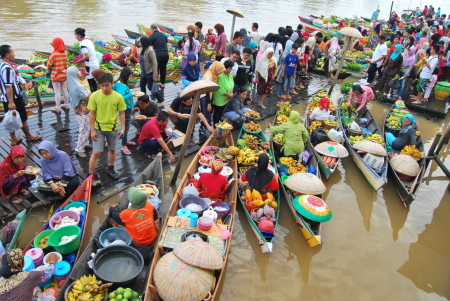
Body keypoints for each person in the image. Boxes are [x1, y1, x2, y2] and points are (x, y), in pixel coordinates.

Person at [87, 73, 126, 183]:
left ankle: (111, 167)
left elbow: (122, 113)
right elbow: (92, 114)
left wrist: (123, 128)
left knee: (112, 149)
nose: (104, 88)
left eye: (107, 85)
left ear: (112, 84)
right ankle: (90, 174)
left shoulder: (118, 97)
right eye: (102, 85)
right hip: (98, 128)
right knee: (96, 152)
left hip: (113, 128)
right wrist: (92, 130)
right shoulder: (95, 96)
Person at [0, 45, 41, 146]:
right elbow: (9, 87)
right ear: (7, 54)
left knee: (10, 118)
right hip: (13, 98)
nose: (14, 54)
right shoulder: (7, 69)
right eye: (12, 52)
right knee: (23, 117)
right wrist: (11, 102)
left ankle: (14, 139)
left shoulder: (2, 65)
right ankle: (28, 135)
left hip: (6, 98)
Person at [67, 65, 91, 158]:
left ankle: (85, 143)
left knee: (87, 127)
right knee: (84, 128)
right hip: (83, 110)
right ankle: (79, 148)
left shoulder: (72, 83)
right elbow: (87, 97)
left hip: (78, 108)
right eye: (77, 71)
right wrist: (91, 96)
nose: (79, 72)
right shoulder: (78, 86)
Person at [112, 67, 135, 155]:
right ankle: (123, 145)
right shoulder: (121, 86)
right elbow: (120, 98)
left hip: (127, 108)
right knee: (124, 128)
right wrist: (130, 94)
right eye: (129, 77)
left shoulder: (119, 84)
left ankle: (125, 141)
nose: (130, 78)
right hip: (125, 109)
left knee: (127, 127)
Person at [201, 61, 225, 134]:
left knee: (207, 113)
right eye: (220, 71)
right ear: (216, 69)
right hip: (205, 97)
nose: (220, 73)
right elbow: (207, 91)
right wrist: (209, 103)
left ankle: (203, 127)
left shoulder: (212, 73)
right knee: (206, 114)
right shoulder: (209, 77)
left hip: (208, 97)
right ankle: (205, 129)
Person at [47, 37, 69, 113]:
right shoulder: (65, 53)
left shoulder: (54, 54)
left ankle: (58, 107)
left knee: (57, 91)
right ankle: (66, 105)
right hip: (64, 75)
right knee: (64, 90)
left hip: (55, 75)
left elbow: (49, 65)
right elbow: (66, 65)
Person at [74, 28, 100, 92]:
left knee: (89, 82)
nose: (75, 37)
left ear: (79, 35)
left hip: (90, 65)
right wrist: (82, 54)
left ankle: (91, 96)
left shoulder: (82, 44)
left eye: (75, 35)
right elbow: (89, 51)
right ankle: (95, 94)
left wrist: (80, 60)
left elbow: (87, 56)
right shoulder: (88, 41)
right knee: (93, 81)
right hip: (95, 63)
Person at [212, 60, 235, 125]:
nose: (230, 70)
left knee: (222, 112)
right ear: (225, 68)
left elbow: (232, 85)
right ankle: (215, 125)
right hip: (219, 99)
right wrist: (229, 96)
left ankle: (221, 124)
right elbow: (221, 90)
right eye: (229, 68)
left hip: (226, 98)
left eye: (231, 68)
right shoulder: (220, 76)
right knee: (217, 113)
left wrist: (231, 93)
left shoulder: (230, 75)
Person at [148, 23, 169, 88]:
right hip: (165, 54)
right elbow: (167, 45)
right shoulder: (163, 35)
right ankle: (162, 84)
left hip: (158, 55)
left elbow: (151, 48)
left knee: (155, 69)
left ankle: (154, 84)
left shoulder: (151, 37)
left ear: (152, 29)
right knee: (163, 69)